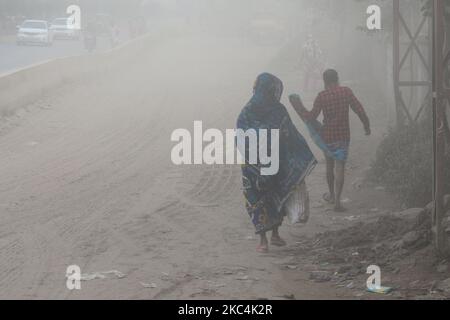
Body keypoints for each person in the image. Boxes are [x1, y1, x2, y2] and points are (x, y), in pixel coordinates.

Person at [237, 73, 317, 253]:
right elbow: (242, 135)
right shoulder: (261, 111)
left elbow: (288, 132)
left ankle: (270, 237)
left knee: (269, 197)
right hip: (263, 164)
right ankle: (267, 238)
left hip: (264, 164)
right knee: (266, 198)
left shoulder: (258, 110)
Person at [292, 69, 371, 212]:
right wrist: (366, 125)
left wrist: (300, 109)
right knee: (340, 167)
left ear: (325, 81)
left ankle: (332, 195)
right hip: (343, 136)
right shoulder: (346, 92)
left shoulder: (322, 96)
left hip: (327, 136)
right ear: (337, 79)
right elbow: (359, 109)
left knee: (329, 165)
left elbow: (312, 116)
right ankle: (338, 203)